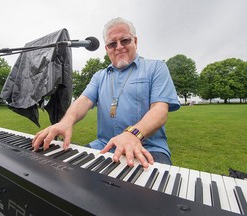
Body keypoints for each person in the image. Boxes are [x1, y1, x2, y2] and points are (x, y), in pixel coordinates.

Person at [32, 17, 180, 168]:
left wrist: (133, 134)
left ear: (135, 41)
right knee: (64, 173)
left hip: (148, 148)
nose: (119, 47)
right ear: (106, 48)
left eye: (125, 41)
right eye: (112, 44)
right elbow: (83, 101)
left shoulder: (156, 68)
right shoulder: (99, 76)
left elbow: (160, 110)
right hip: (104, 147)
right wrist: (65, 122)